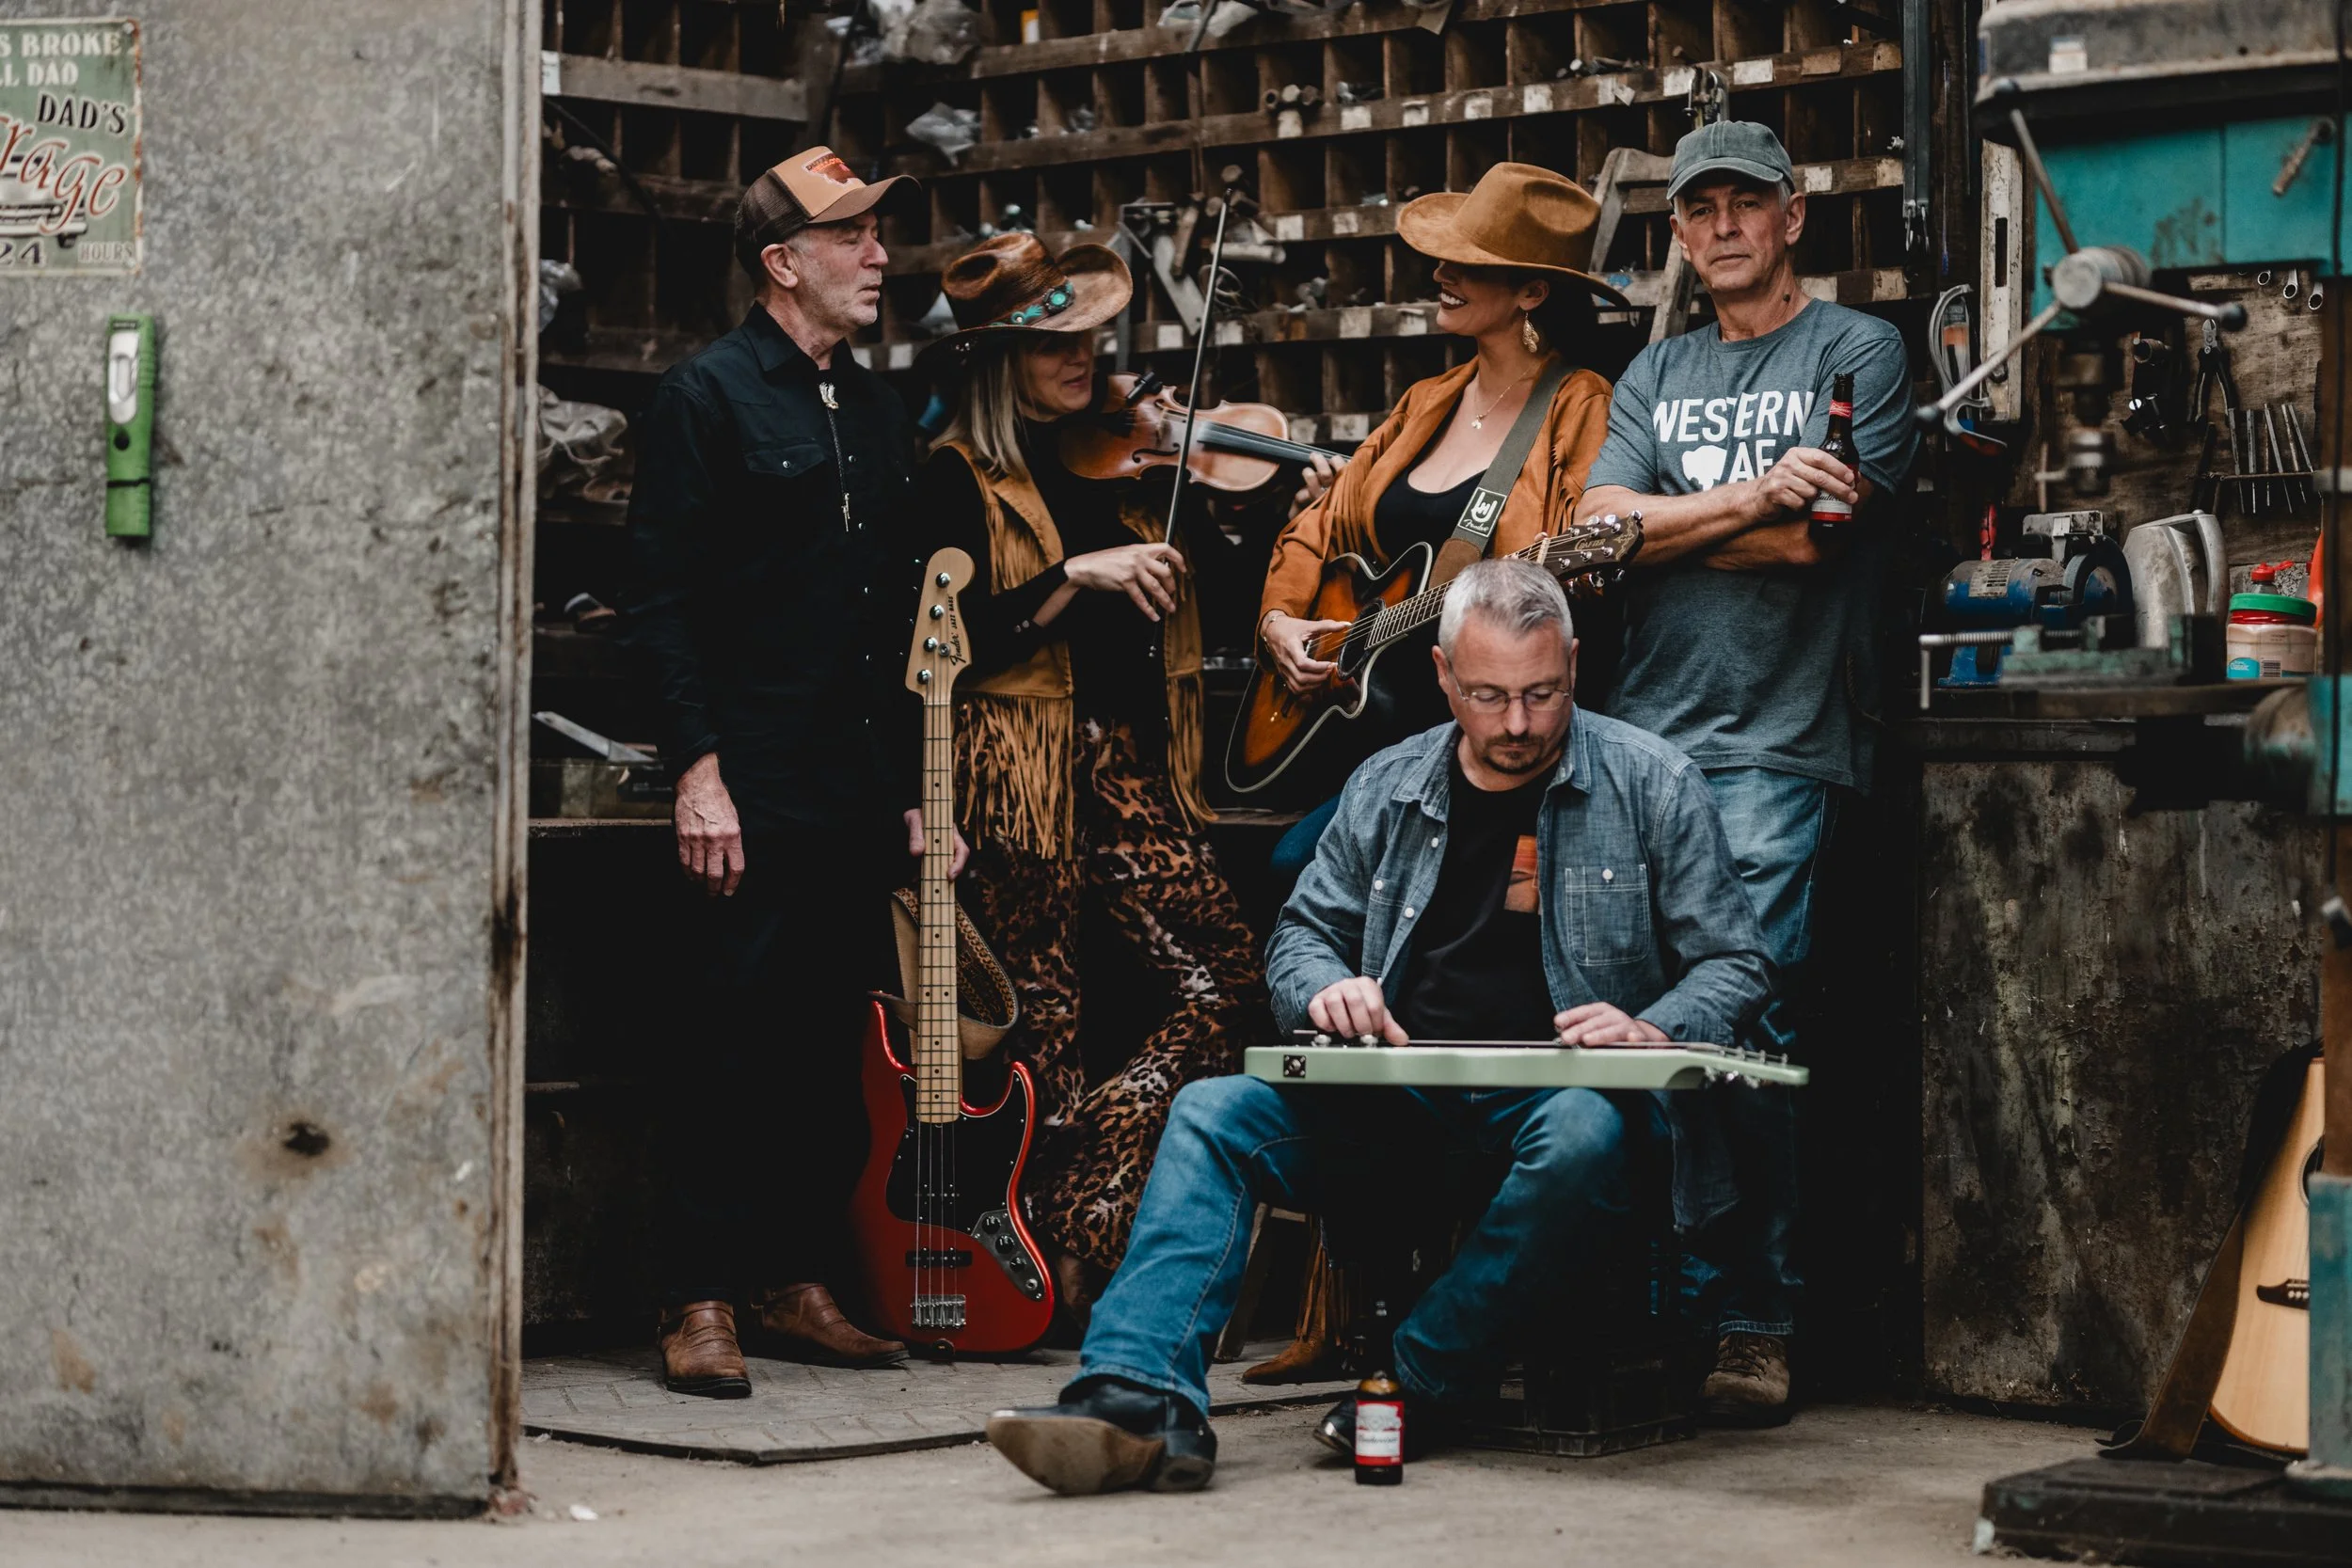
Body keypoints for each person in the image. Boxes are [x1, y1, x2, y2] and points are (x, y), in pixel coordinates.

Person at [983, 559, 1772, 1495]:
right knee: (1211, 1112)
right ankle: (1136, 1394)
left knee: (1580, 1130)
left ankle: (1417, 1380)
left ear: (1572, 662)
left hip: (1561, 1111)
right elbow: (1300, 937)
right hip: (1397, 1107)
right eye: (1488, 696)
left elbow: (1737, 963)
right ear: (1442, 675)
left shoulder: (1653, 781)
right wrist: (1325, 989)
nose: (1518, 723)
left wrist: (1650, 1023)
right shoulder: (1386, 783)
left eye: (1541, 693)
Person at [1577, 119, 1919, 1427]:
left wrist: (1666, 528)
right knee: (1620, 1016)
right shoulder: (1655, 367)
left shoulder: (1855, 350)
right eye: (1699, 208)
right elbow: (1592, 534)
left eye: (1746, 204)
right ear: (1677, 230)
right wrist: (1746, 500)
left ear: (1793, 216)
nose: (1722, 226)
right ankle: (1652, 1307)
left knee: (1735, 1027)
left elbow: (1815, 542)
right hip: (1639, 741)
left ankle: (1752, 1320)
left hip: (1778, 746)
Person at [624, 147, 966, 1397]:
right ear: (782, 262)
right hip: (751, 782)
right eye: (851, 236)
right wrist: (697, 770)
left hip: (853, 786)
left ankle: (790, 1278)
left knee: (828, 1050)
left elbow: (900, 621)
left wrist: (918, 788)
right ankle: (698, 1297)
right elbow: (660, 603)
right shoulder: (703, 398)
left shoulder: (875, 412)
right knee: (723, 1041)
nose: (880, 255)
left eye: (878, 232)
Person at [912, 233, 1272, 1323]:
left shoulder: (1125, 461)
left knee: (1226, 983)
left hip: (1126, 772)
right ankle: (1046, 1272)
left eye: (1094, 339)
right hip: (1013, 774)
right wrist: (1072, 574)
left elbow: (1225, 592)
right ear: (998, 360)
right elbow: (945, 644)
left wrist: (1249, 508)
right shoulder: (953, 476)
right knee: (1046, 1030)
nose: (1086, 359)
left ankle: (1086, 1208)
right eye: (1055, 342)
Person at [1254, 162, 1625, 867]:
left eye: (1468, 264)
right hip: (1370, 726)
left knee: (1293, 865)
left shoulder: (1578, 405)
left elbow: (1586, 579)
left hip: (1489, 740)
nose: (1440, 275)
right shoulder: (1427, 400)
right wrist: (1280, 622)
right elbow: (1315, 528)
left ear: (1532, 292)